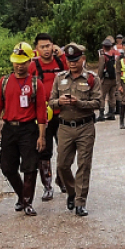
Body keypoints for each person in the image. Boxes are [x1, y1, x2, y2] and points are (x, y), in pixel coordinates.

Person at [0, 42, 48, 216]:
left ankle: (27, 202)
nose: (19, 66)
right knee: (7, 166)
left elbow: (41, 111)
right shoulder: (4, 82)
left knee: (29, 167)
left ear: (29, 62)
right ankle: (22, 194)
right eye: (16, 62)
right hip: (9, 129)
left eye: (22, 62)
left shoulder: (36, 84)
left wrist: (42, 136)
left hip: (28, 129)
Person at [49, 43, 101, 217]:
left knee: (84, 165)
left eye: (76, 60)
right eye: (69, 60)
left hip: (85, 126)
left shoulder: (92, 79)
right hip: (64, 126)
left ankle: (80, 202)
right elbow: (51, 101)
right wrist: (59, 102)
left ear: (83, 60)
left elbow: (98, 103)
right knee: (62, 165)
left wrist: (79, 103)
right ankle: (71, 191)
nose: (72, 63)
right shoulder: (60, 78)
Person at [31, 32, 68, 201]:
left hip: (62, 113)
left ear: (53, 45)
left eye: (48, 46)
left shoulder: (61, 61)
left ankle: (62, 178)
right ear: (36, 49)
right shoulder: (32, 66)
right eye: (42, 47)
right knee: (44, 151)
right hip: (43, 115)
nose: (46, 50)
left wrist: (64, 55)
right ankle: (47, 186)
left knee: (66, 149)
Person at [97, 37, 120, 121]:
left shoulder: (103, 56)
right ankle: (111, 113)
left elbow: (100, 69)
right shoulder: (114, 55)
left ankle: (101, 114)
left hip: (106, 79)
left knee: (102, 96)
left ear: (103, 46)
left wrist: (99, 78)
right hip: (114, 79)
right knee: (112, 95)